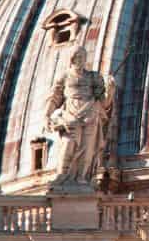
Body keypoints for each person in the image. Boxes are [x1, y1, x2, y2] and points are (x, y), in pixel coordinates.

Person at [43, 46, 110, 187]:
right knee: (68, 146)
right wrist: (47, 115)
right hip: (70, 115)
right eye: (78, 57)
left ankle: (82, 178)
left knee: (87, 149)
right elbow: (55, 97)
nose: (81, 60)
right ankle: (63, 175)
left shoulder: (93, 77)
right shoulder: (65, 76)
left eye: (83, 57)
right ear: (72, 59)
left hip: (90, 114)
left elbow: (103, 102)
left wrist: (110, 90)